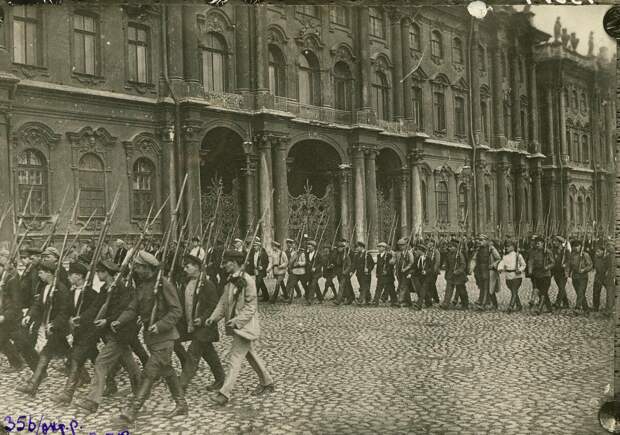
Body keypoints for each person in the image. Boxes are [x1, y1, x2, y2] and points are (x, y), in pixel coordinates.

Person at [115, 250, 186, 423]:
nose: (136, 269)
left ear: (148, 268)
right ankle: (181, 404)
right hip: (151, 338)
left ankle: (133, 410)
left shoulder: (163, 284)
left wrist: (160, 325)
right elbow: (133, 308)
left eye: (139, 267)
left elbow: (177, 310)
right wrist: (120, 320)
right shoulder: (143, 285)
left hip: (165, 337)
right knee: (167, 370)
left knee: (149, 373)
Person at [206, 250, 275, 406]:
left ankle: (224, 394)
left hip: (244, 327)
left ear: (235, 263)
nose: (223, 266)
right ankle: (267, 382)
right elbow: (223, 303)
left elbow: (251, 307)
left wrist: (237, 321)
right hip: (237, 327)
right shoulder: (231, 280)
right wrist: (213, 318)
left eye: (226, 262)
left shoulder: (248, 280)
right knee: (249, 354)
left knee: (234, 359)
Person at [76, 260, 141, 414]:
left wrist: (107, 320)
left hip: (120, 332)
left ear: (107, 273)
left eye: (99, 272)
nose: (97, 275)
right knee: (129, 363)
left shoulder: (121, 288)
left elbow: (123, 310)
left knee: (100, 362)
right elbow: (96, 307)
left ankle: (92, 401)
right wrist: (82, 318)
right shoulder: (106, 288)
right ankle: (141, 391)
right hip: (113, 333)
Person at [17, 260, 71, 397]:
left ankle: (33, 384)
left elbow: (65, 311)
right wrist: (29, 316)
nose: (39, 276)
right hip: (49, 327)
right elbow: (37, 305)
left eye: (41, 273)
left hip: (57, 328)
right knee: (70, 354)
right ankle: (84, 376)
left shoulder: (61, 289)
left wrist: (54, 324)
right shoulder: (45, 288)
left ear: (49, 273)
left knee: (45, 354)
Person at [55, 261, 101, 405]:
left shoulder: (92, 294)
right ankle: (111, 382)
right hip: (78, 334)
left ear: (79, 276)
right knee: (95, 358)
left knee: (76, 360)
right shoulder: (71, 292)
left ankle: (67, 394)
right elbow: (66, 311)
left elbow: (94, 312)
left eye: (71, 274)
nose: (68, 276)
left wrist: (81, 319)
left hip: (89, 333)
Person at [178, 255, 225, 393]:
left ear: (197, 267)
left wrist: (203, 318)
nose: (185, 269)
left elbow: (214, 305)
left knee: (193, 353)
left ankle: (181, 384)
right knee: (208, 353)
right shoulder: (187, 283)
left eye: (188, 266)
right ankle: (220, 378)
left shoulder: (207, 284)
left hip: (205, 326)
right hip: (191, 324)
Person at [497, 240, 526, 313]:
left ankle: (511, 306)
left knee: (514, 291)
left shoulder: (518, 255)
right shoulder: (505, 257)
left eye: (508, 246)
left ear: (513, 247)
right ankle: (519, 305)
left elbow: (523, 265)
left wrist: (520, 270)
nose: (506, 248)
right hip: (508, 276)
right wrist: (500, 268)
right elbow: (501, 263)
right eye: (506, 246)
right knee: (514, 291)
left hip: (516, 276)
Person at [528, 237, 555, 314]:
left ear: (543, 243)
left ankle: (539, 309)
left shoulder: (547, 252)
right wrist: (530, 271)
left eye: (539, 243)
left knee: (543, 292)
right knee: (541, 291)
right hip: (536, 274)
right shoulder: (533, 252)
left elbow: (553, 262)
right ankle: (549, 308)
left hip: (545, 274)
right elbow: (530, 261)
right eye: (536, 243)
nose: (537, 244)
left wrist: (547, 267)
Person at [440, 240, 468, 310]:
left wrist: (458, 271)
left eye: (451, 247)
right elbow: (446, 263)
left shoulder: (459, 254)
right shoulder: (448, 254)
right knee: (448, 289)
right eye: (449, 247)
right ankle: (446, 303)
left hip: (459, 276)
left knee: (461, 290)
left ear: (455, 247)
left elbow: (463, 265)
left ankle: (465, 304)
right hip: (450, 274)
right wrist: (444, 266)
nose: (449, 248)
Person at [569, 239, 592, 315]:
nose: (576, 248)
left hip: (583, 277)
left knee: (580, 292)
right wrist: (568, 272)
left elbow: (590, 265)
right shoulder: (572, 255)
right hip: (575, 276)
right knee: (579, 293)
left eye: (577, 246)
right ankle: (586, 309)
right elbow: (570, 265)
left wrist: (584, 269)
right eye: (574, 246)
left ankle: (577, 308)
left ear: (581, 246)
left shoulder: (585, 255)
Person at [372, 242, 396, 306]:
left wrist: (387, 271)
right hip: (380, 275)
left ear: (384, 248)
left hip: (388, 276)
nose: (379, 248)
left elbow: (391, 266)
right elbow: (378, 266)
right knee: (378, 288)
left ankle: (394, 301)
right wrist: (377, 273)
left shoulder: (388, 255)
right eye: (378, 247)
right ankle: (376, 301)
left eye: (380, 247)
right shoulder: (378, 255)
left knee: (391, 289)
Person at [247, 238, 270, 303]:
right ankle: (266, 296)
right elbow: (252, 260)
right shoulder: (253, 253)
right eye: (254, 246)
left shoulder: (263, 253)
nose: (254, 247)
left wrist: (263, 267)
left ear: (259, 246)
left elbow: (267, 262)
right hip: (256, 270)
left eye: (256, 246)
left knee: (257, 283)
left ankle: (253, 298)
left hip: (261, 270)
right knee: (261, 283)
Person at [394, 238, 414, 308]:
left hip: (406, 272)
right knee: (405, 287)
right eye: (399, 245)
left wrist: (405, 268)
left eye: (402, 245)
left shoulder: (409, 253)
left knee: (402, 286)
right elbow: (396, 262)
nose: (400, 247)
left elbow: (411, 263)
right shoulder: (398, 253)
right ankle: (409, 302)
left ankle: (400, 301)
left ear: (405, 245)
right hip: (399, 272)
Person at [551, 236, 571, 309]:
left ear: (560, 243)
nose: (554, 243)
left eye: (555, 241)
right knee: (561, 287)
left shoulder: (566, 251)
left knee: (561, 287)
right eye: (553, 241)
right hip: (556, 272)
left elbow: (569, 260)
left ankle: (558, 303)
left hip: (563, 272)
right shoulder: (553, 250)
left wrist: (565, 264)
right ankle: (566, 303)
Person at [353, 241, 374, 305]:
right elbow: (354, 264)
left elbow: (372, 264)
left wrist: (368, 269)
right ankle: (368, 299)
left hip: (366, 274)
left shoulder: (367, 255)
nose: (356, 249)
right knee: (365, 286)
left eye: (358, 247)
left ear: (361, 247)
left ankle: (361, 300)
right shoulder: (357, 255)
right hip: (359, 274)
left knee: (363, 287)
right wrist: (352, 271)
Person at [304, 240, 325, 304]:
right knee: (315, 285)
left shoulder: (318, 254)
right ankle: (320, 298)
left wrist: (315, 268)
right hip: (310, 273)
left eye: (310, 247)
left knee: (313, 285)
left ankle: (310, 299)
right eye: (308, 247)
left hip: (317, 273)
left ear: (313, 247)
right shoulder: (307, 254)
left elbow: (321, 263)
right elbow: (306, 262)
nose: (309, 249)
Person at [592, 245, 611, 312]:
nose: (597, 253)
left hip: (606, 277)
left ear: (603, 251)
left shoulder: (608, 257)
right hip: (598, 276)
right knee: (596, 292)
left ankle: (609, 308)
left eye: (598, 252)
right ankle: (595, 307)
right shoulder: (596, 257)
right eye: (596, 252)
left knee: (610, 292)